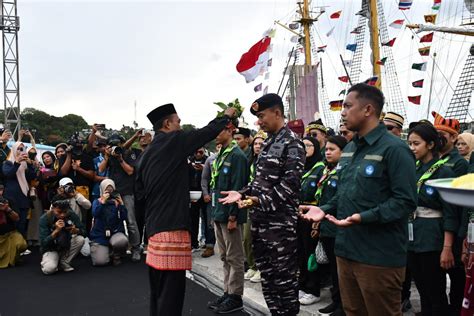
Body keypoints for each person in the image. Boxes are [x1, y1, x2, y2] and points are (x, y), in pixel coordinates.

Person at [301, 83, 417, 316]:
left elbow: (404, 202)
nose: (342, 112)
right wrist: (323, 209)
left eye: (347, 105)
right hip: (346, 252)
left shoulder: (395, 149)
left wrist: (362, 218)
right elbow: (344, 193)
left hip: (377, 257)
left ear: (368, 110)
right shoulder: (351, 148)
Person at [136, 103, 237, 316]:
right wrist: (226, 116)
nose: (181, 127)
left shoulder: (145, 154)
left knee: (158, 292)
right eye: (178, 122)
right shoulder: (173, 141)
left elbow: (139, 191)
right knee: (172, 295)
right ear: (167, 124)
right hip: (172, 228)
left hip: (154, 229)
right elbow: (206, 132)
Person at [220, 93, 306, 316]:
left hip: (280, 228)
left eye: (261, 115)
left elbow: (290, 185)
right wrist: (241, 193)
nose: (259, 121)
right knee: (268, 280)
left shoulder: (292, 143)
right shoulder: (268, 143)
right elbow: (258, 182)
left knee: (284, 281)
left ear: (277, 113)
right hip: (260, 223)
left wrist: (258, 200)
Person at [407, 122, 457, 315]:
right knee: (422, 289)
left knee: (435, 291)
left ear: (430, 145)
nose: (412, 148)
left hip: (432, 238)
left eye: (416, 143)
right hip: (412, 236)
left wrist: (447, 248)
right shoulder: (414, 168)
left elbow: (450, 213)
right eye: (410, 143)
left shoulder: (444, 172)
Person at [207, 121, 249, 314]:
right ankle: (227, 291)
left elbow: (238, 186)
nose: (215, 135)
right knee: (224, 256)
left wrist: (233, 216)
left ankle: (236, 296)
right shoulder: (220, 155)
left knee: (235, 257)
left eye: (219, 131)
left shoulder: (237, 156)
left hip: (230, 215)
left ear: (229, 131)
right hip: (219, 213)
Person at [432, 111, 469, 315]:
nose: (438, 137)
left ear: (454, 137)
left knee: (456, 275)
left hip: (453, 225)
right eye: (435, 133)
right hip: (437, 227)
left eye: (443, 134)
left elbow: (462, 202)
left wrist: (460, 235)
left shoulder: (459, 163)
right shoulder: (433, 160)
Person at [316, 135, 348, 316]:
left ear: (343, 152)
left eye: (332, 149)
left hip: (338, 226)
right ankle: (336, 301)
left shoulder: (343, 172)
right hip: (326, 225)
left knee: (340, 271)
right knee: (333, 269)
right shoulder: (328, 171)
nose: (327, 152)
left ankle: (344, 305)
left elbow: (339, 199)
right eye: (326, 149)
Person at [99, 134, 141, 262]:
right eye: (112, 145)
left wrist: (120, 159)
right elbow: (101, 170)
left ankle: (135, 248)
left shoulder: (129, 154)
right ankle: (114, 248)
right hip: (113, 192)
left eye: (118, 144)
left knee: (131, 222)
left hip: (127, 192)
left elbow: (130, 171)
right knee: (110, 220)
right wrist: (107, 157)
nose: (115, 147)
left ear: (123, 143)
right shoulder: (109, 155)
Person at [297, 136, 324, 306]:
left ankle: (314, 289)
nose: (305, 149)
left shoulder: (320, 168)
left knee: (311, 253)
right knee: (300, 252)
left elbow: (321, 196)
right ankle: (303, 284)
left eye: (308, 146)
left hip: (313, 216)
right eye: (302, 146)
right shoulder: (300, 167)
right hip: (299, 216)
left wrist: (317, 222)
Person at [39, 195, 86, 274]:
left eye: (65, 212)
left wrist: (76, 230)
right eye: (59, 212)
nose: (63, 215)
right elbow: (43, 243)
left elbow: (84, 231)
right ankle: (50, 261)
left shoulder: (71, 214)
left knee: (80, 239)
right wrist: (56, 230)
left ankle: (64, 261)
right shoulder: (45, 219)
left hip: (66, 245)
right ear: (53, 208)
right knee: (49, 269)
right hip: (51, 248)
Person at [243, 131, 266, 283]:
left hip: (263, 205)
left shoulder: (269, 162)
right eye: (255, 144)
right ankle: (252, 265)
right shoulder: (250, 161)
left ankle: (261, 268)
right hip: (249, 203)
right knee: (246, 238)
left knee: (261, 239)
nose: (257, 146)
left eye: (261, 144)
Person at [90, 179, 129, 266]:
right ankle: (106, 251)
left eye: (112, 190)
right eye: (107, 190)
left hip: (115, 232)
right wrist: (102, 202)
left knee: (122, 241)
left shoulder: (117, 203)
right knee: (100, 262)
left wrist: (121, 204)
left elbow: (124, 217)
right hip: (100, 235)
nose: (110, 193)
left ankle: (116, 255)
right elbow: (95, 214)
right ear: (102, 190)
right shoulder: (97, 201)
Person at [3, 142, 37, 238]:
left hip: (23, 197)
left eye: (23, 149)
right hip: (11, 198)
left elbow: (32, 177)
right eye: (19, 149)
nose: (21, 151)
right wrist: (17, 163)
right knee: (12, 223)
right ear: (13, 150)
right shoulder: (8, 163)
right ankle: (11, 246)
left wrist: (30, 165)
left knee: (22, 223)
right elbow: (8, 174)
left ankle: (21, 246)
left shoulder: (25, 165)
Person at [200, 145, 220, 258]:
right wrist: (205, 193)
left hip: (227, 193)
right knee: (210, 221)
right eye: (218, 145)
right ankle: (209, 246)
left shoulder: (233, 157)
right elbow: (204, 178)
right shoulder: (211, 159)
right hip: (212, 194)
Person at [188, 147, 207, 250]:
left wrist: (204, 168)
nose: (198, 154)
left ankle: (207, 242)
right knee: (193, 218)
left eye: (201, 152)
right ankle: (193, 242)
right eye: (196, 152)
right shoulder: (189, 160)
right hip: (192, 192)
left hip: (204, 192)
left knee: (206, 218)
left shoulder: (208, 160)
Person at [0, 197, 27, 268]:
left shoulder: (8, 201)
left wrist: (7, 209)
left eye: (1, 189)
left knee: (21, 244)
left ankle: (14, 257)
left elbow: (17, 218)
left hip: (10, 234)